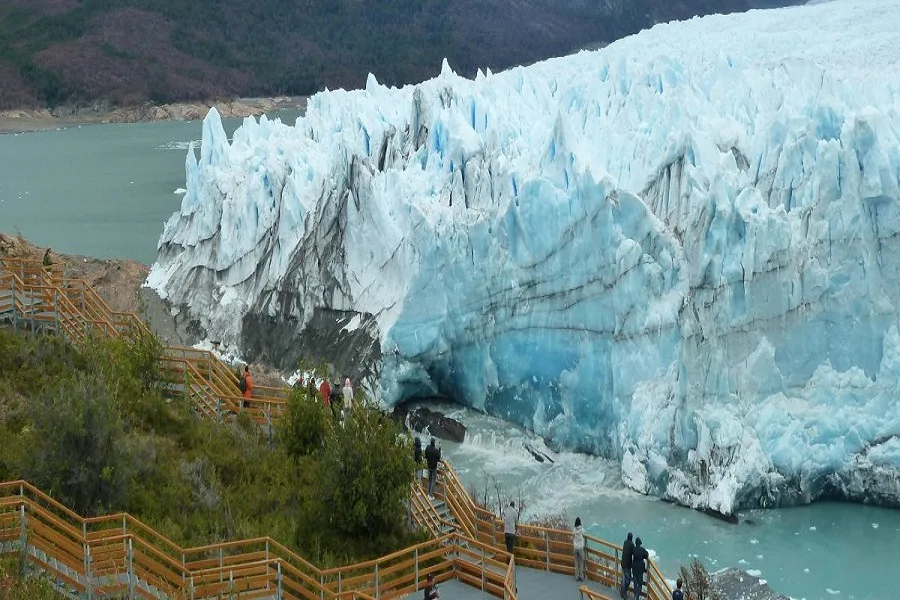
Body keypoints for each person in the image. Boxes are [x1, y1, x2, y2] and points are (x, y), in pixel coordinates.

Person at [620, 532, 634, 599]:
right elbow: (634, 552)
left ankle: (622, 592)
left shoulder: (625, 542)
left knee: (623, 579)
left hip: (623, 563)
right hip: (627, 565)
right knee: (628, 580)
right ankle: (624, 592)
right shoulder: (631, 544)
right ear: (631, 538)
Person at [573, 517, 586, 582]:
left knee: (576, 562)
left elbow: (573, 535)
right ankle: (581, 576)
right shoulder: (581, 530)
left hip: (575, 547)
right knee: (581, 562)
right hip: (580, 548)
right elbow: (584, 533)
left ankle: (576, 576)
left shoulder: (574, 529)